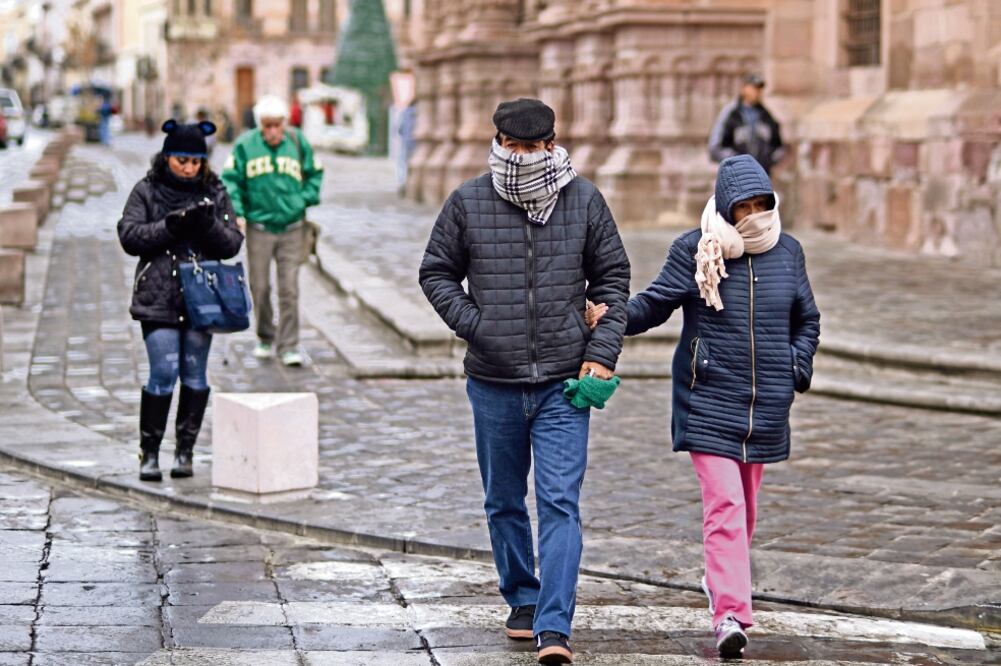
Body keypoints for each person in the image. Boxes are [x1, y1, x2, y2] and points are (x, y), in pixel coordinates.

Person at [419, 98, 630, 665]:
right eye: (511, 146)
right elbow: (435, 271)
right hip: (493, 380)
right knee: (504, 500)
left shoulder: (584, 200)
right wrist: (476, 325)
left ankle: (554, 626)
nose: (522, 157)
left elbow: (614, 281)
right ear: (498, 143)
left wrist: (602, 350)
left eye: (532, 148)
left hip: (564, 382)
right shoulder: (467, 201)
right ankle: (522, 597)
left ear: (551, 145)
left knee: (560, 502)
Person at [585, 154, 820, 659]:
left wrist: (796, 366)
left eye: (763, 204)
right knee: (726, 506)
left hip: (767, 406)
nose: (755, 215)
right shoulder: (697, 250)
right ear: (726, 207)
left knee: (745, 510)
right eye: (745, 207)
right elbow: (654, 304)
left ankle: (720, 578)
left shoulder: (788, 252)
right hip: (708, 400)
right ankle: (730, 614)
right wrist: (610, 318)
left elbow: (807, 319)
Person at [117, 120, 245, 482]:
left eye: (195, 162)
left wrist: (206, 225)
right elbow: (129, 235)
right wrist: (170, 226)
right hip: (158, 295)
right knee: (162, 372)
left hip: (202, 298)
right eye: (181, 160)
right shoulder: (147, 190)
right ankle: (150, 452)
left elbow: (233, 242)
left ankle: (185, 451)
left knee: (194, 374)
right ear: (167, 157)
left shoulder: (215, 191)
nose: (189, 168)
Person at [221, 94, 324, 366]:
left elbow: (315, 173)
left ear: (284, 123)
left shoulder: (298, 142)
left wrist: (302, 200)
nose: (273, 132)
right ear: (259, 125)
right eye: (267, 126)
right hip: (259, 227)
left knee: (289, 288)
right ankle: (265, 335)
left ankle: (289, 344)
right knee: (260, 286)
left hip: (292, 227)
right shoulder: (245, 146)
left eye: (277, 125)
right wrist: (239, 213)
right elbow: (231, 181)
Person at [708, 74, 784, 174]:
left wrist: (768, 161)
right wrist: (737, 162)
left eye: (759, 89)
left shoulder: (767, 117)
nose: (757, 92)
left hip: (761, 177)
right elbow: (715, 148)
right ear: (744, 89)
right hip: (736, 177)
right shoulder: (730, 114)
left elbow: (778, 147)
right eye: (753, 87)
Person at [396, 100, 417, 195]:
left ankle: (404, 186)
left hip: (406, 144)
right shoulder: (421, 113)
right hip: (418, 145)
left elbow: (399, 129)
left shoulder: (405, 112)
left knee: (404, 165)